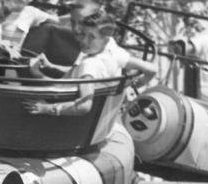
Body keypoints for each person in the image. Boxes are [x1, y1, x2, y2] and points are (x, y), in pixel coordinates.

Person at [24, 10, 156, 117]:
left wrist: (46, 107)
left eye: (91, 37)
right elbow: (151, 69)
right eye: (83, 34)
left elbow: (84, 106)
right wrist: (130, 86)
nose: (83, 41)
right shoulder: (113, 51)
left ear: (105, 40)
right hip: (99, 108)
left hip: (60, 101)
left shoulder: (89, 65)